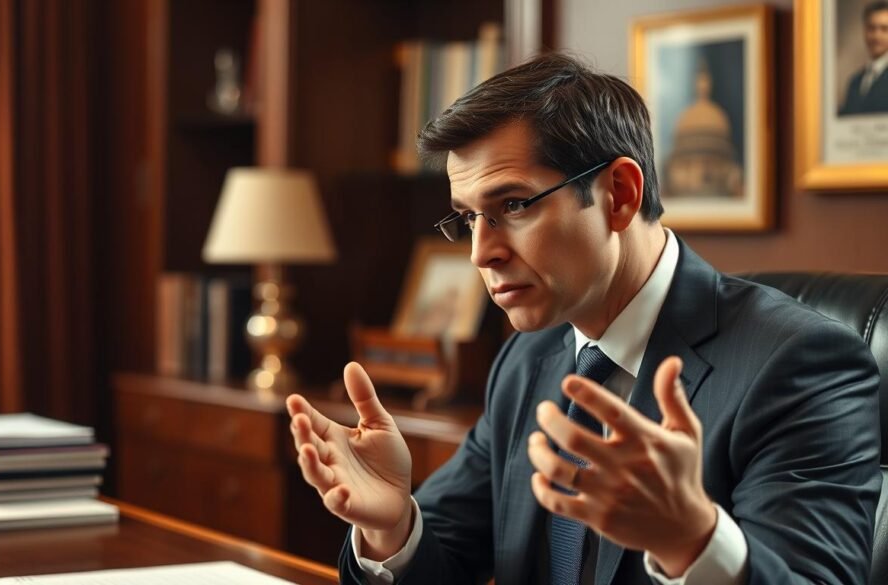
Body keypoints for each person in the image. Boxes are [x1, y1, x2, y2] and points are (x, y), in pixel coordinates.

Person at [286, 52, 881, 584]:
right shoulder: (528, 356)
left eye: (512, 205)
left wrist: (693, 543)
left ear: (618, 195)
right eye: (467, 217)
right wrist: (393, 527)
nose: (479, 252)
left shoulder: (802, 364)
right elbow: (445, 559)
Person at [840, 1, 888, 116]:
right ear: (864, 31)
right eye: (871, 28)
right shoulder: (855, 82)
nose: (876, 36)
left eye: (884, 29)